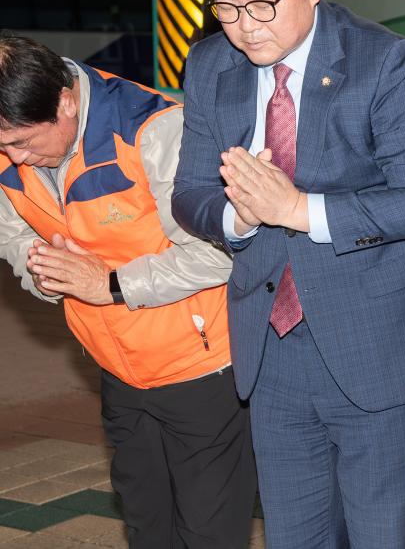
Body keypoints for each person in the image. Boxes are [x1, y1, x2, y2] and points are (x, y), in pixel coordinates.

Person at [172, 0, 405, 547]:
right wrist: (239, 218)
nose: (243, 27)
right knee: (295, 536)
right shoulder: (210, 68)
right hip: (271, 354)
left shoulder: (386, 64)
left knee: (382, 536)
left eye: (260, 3)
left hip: (377, 347)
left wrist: (297, 210)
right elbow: (189, 193)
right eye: (223, 6)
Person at [0, 36, 255, 548]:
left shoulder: (154, 130)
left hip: (201, 369)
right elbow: (14, 236)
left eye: (24, 142)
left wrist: (111, 284)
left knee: (209, 532)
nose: (14, 158)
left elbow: (220, 252)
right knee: (146, 525)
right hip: (116, 366)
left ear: (65, 101)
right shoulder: (8, 142)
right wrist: (47, 272)